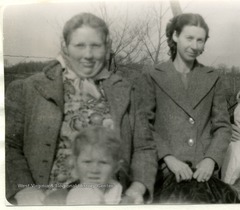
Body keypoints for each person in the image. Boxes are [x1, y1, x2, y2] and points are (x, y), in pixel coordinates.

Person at [5, 12, 157, 205]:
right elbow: (9, 146)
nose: (88, 55)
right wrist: (24, 190)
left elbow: (144, 147)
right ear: (65, 47)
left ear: (107, 47)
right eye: (79, 45)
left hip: (111, 199)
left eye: (96, 46)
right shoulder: (28, 88)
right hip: (43, 200)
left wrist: (138, 187)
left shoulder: (127, 91)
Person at [138, 13, 232, 201]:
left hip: (202, 173)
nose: (194, 46)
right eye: (189, 38)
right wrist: (169, 158)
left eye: (200, 40)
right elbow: (143, 125)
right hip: (164, 171)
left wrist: (210, 160)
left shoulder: (213, 77)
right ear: (175, 36)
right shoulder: (152, 76)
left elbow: (222, 126)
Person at [44, 126, 124, 205]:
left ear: (116, 167)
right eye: (87, 162)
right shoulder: (71, 194)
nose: (94, 170)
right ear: (75, 163)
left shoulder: (119, 193)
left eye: (103, 162)